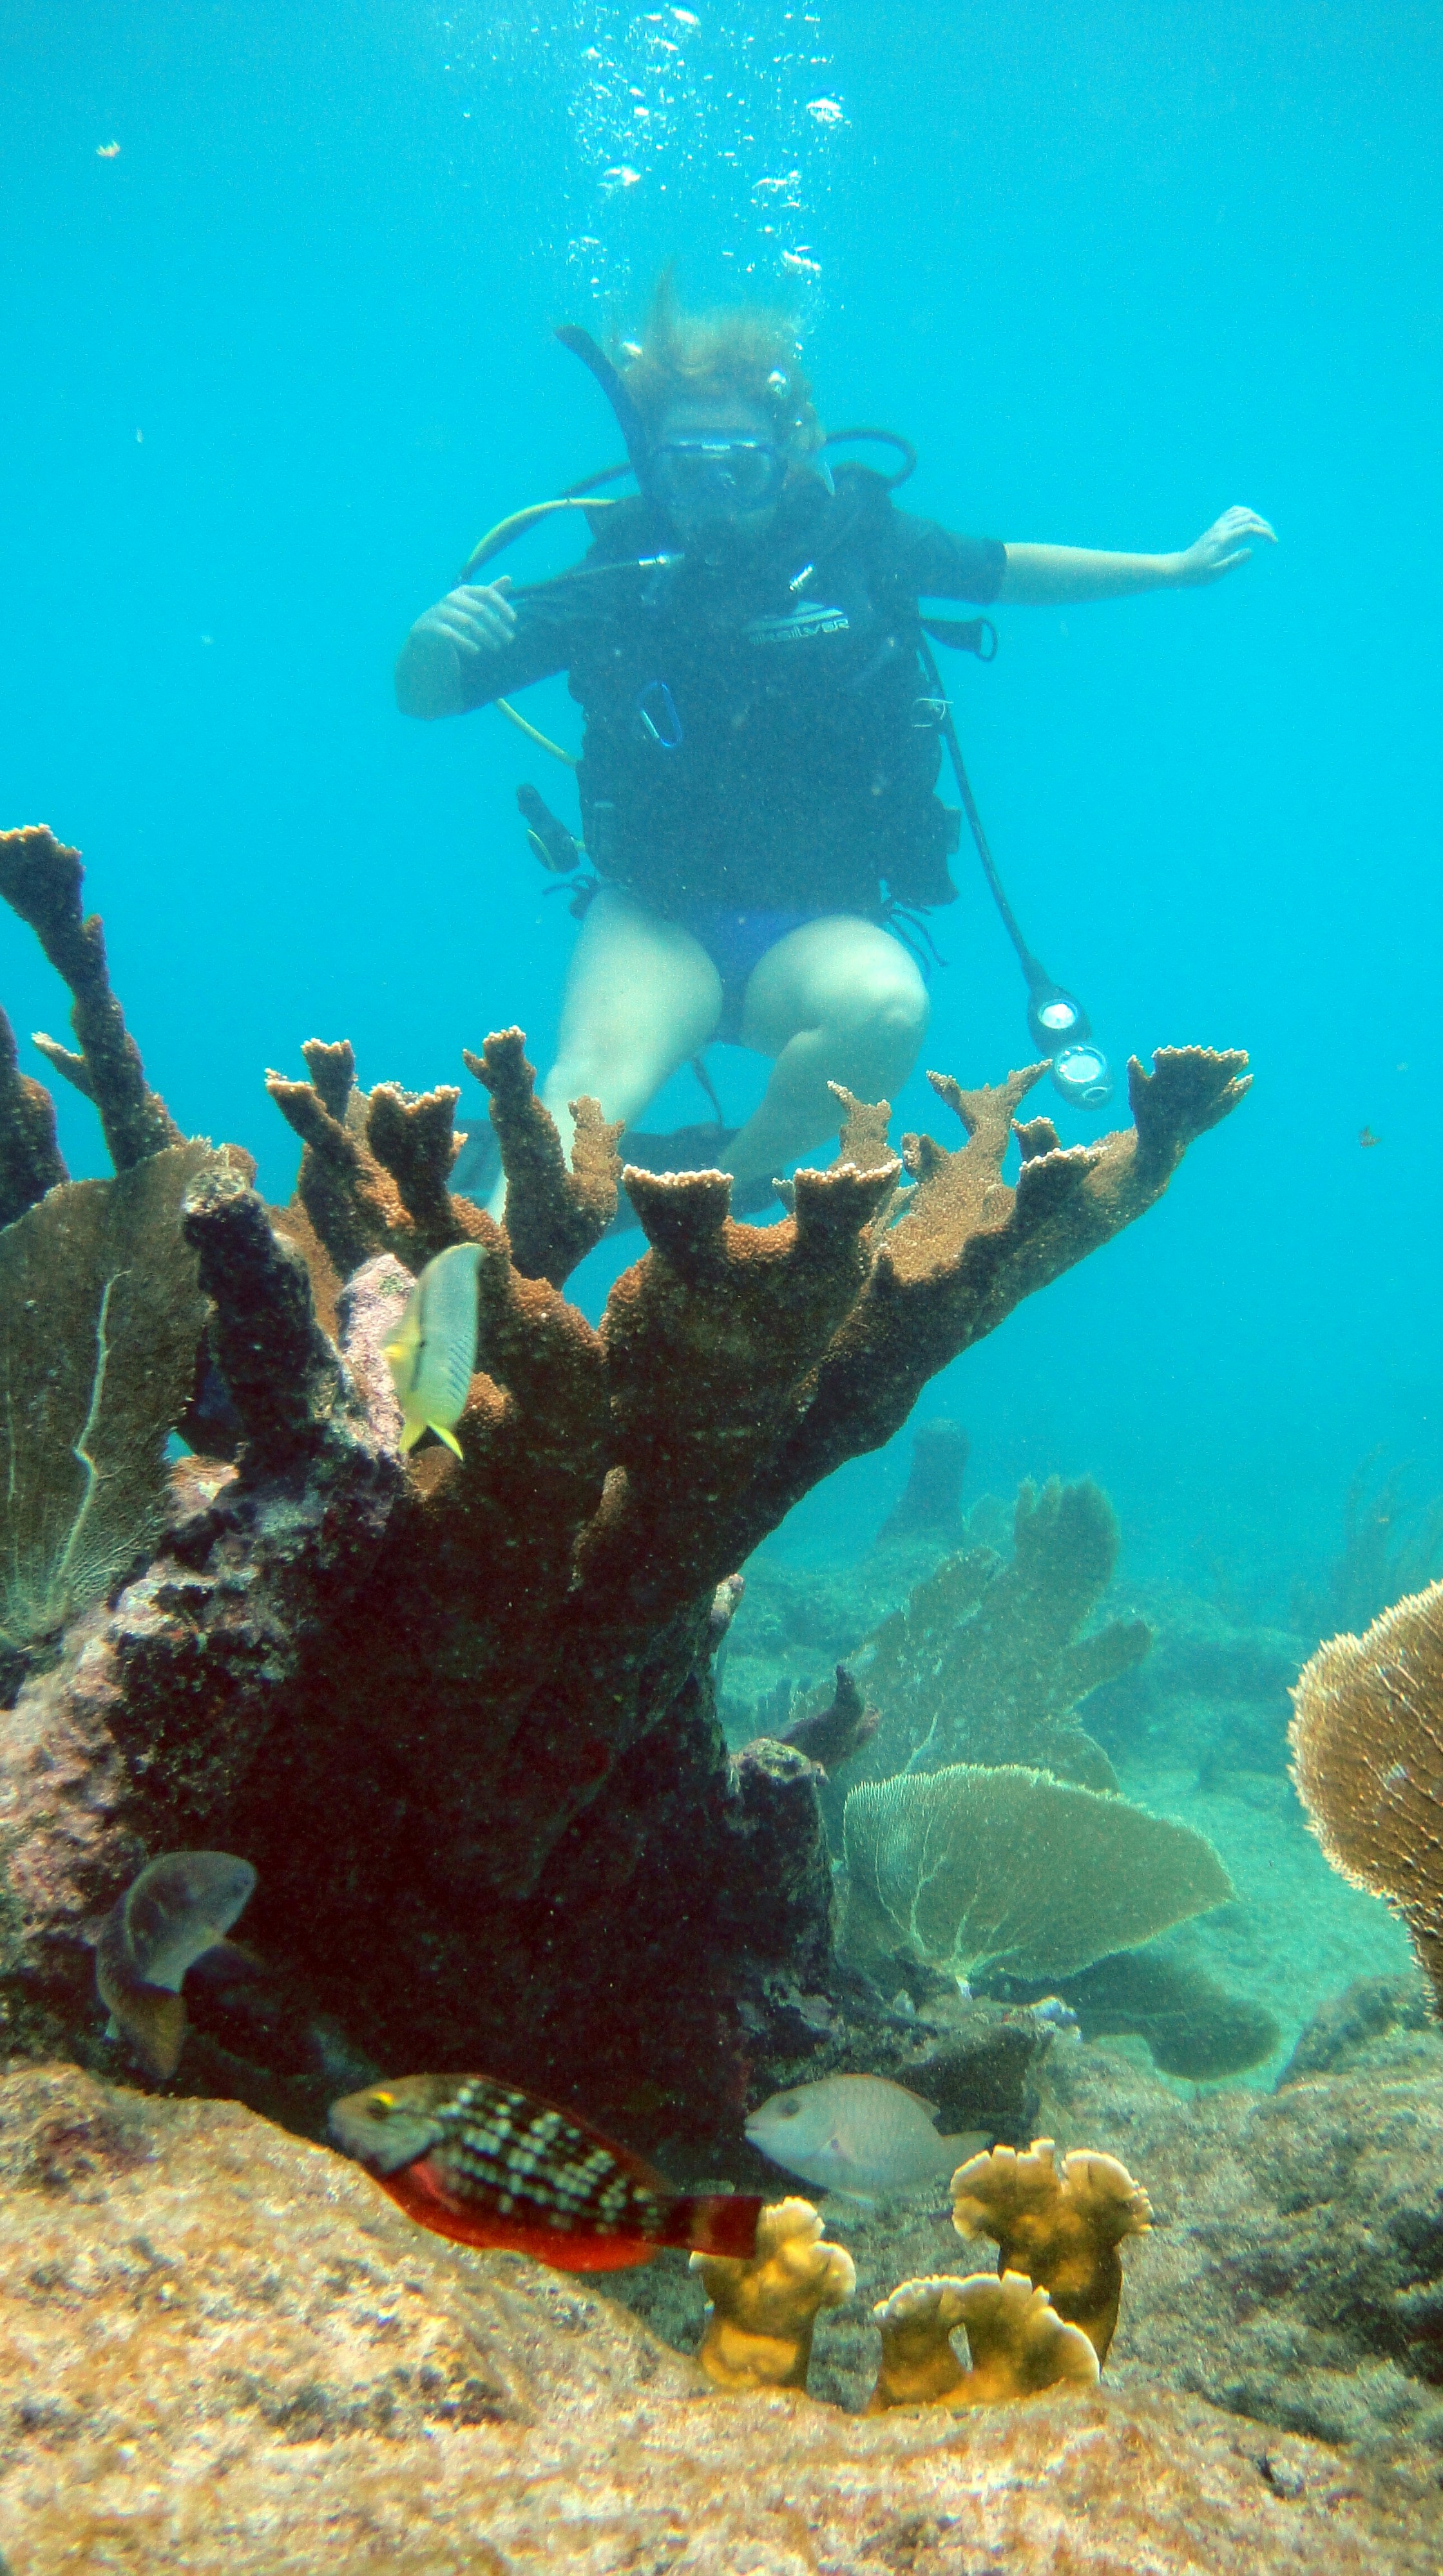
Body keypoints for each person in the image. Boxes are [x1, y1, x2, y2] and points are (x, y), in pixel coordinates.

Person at [396, 282, 1274, 1211]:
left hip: (822, 926)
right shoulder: (622, 573)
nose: (716, 499)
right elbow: (431, 698)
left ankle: (715, 1198)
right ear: (653, 465)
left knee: (887, 1013)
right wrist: (425, 647)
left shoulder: (863, 542)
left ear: (796, 451)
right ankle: (458, 1309)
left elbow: (1004, 570)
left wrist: (1170, 571)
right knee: (589, 1090)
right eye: (689, 469)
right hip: (656, 915)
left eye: (741, 466)